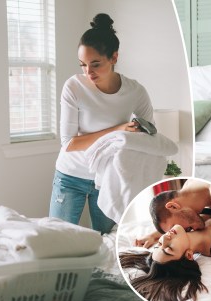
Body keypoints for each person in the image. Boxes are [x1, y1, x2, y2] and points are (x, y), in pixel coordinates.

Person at [49, 13, 154, 234]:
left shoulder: (135, 91)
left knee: (107, 242)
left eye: (95, 64)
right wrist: (117, 130)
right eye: (83, 65)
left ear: (114, 57)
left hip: (108, 178)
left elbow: (150, 135)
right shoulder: (74, 87)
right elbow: (69, 143)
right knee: (59, 239)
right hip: (69, 175)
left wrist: (136, 132)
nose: (88, 72)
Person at [120, 210, 211, 301]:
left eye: (159, 244)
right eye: (169, 248)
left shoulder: (182, 225)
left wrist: (153, 236)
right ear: (189, 255)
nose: (165, 238)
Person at [135, 179, 211, 248]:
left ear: (173, 206)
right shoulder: (190, 188)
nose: (185, 231)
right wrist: (153, 236)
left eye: (176, 227)